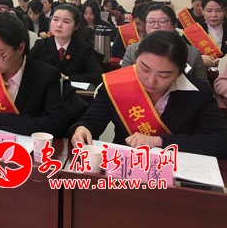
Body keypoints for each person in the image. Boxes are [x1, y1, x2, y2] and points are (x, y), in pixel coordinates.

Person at [71, 31, 227, 157]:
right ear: (136, 56)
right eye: (144, 69)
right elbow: (91, 122)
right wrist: (82, 128)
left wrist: (159, 141)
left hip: (174, 174)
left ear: (181, 71)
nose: (151, 81)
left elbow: (221, 141)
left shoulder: (198, 93)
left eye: (164, 75)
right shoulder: (116, 84)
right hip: (121, 168)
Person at [121, 4, 208, 85]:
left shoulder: (192, 53)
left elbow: (203, 87)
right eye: (151, 22)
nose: (156, 26)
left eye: (162, 22)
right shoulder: (132, 50)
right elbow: (123, 82)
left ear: (174, 25)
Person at [31, 4, 103, 85]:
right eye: (55, 19)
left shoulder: (84, 48)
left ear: (76, 26)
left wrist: (67, 78)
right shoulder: (40, 45)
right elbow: (27, 67)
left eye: (65, 21)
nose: (59, 25)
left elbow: (97, 75)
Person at [182, 0, 227, 68]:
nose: (213, 15)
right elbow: (181, 55)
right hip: (200, 72)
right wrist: (198, 58)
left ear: (225, 11)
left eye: (218, 11)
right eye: (209, 11)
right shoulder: (192, 31)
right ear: (202, 10)